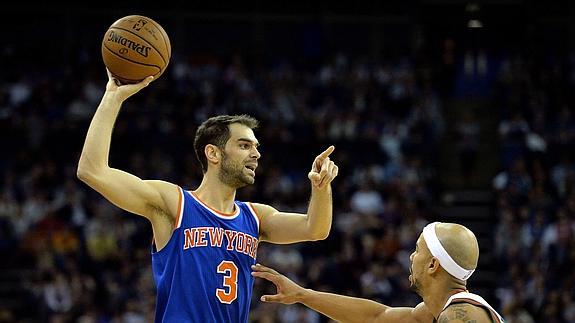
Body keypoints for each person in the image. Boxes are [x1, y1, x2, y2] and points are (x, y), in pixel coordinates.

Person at [76, 71, 339, 322]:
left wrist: (321, 188)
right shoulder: (175, 203)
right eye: (244, 145)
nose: (256, 154)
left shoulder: (256, 216)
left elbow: (315, 229)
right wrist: (113, 96)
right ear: (213, 153)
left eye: (256, 147)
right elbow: (92, 171)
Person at [252, 222, 506, 323]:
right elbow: (376, 316)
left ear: (432, 265)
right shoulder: (434, 313)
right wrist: (302, 295)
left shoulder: (461, 316)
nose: (411, 257)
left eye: (417, 250)